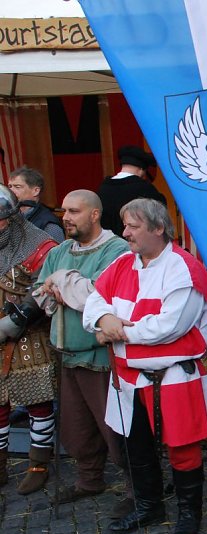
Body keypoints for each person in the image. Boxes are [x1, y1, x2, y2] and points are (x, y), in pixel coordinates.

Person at [82, 198, 207, 534]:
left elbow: (168, 327)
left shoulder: (183, 269)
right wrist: (104, 319)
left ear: (158, 228)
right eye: (125, 225)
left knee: (183, 447)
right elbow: (94, 302)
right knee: (136, 445)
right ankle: (149, 506)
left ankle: (190, 515)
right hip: (129, 377)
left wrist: (115, 332)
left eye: (133, 226)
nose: (125, 232)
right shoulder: (122, 264)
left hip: (173, 375)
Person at [32, 190, 130, 509]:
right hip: (67, 352)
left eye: (74, 211)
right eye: (64, 211)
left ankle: (137, 486)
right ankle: (90, 479)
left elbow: (98, 296)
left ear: (94, 214)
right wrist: (62, 288)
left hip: (101, 355)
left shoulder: (116, 250)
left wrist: (64, 285)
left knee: (115, 426)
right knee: (76, 426)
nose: (66, 218)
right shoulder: (59, 251)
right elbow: (41, 293)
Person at [0, 185, 58, 494]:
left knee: (38, 399)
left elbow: (44, 287)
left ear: (12, 218)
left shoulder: (39, 245)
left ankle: (39, 463)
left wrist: (18, 318)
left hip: (29, 335)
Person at [97, 145, 167, 238]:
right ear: (142, 169)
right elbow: (160, 213)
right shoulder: (145, 188)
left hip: (108, 245)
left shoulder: (103, 188)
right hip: (135, 245)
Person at [8, 166, 65, 244]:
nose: (11, 191)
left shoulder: (49, 225)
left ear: (36, 191)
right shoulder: (8, 218)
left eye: (17, 187)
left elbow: (56, 255)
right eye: (10, 186)